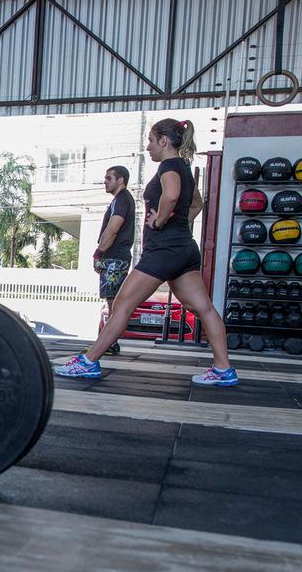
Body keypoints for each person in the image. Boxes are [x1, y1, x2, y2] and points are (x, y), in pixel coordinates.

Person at [53, 119, 238, 386]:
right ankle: (223, 368)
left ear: (164, 141)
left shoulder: (169, 166)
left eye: (151, 141)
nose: (148, 147)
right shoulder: (183, 167)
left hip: (163, 250)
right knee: (203, 308)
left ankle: (88, 362)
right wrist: (179, 224)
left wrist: (161, 221)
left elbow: (172, 195)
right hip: (183, 248)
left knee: (121, 306)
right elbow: (196, 203)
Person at [94, 165, 136, 355]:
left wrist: (99, 252)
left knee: (113, 303)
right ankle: (110, 343)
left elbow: (113, 228)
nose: (105, 181)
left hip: (114, 256)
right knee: (112, 301)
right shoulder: (119, 200)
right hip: (115, 257)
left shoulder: (122, 199)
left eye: (109, 178)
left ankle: (109, 344)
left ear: (121, 180)